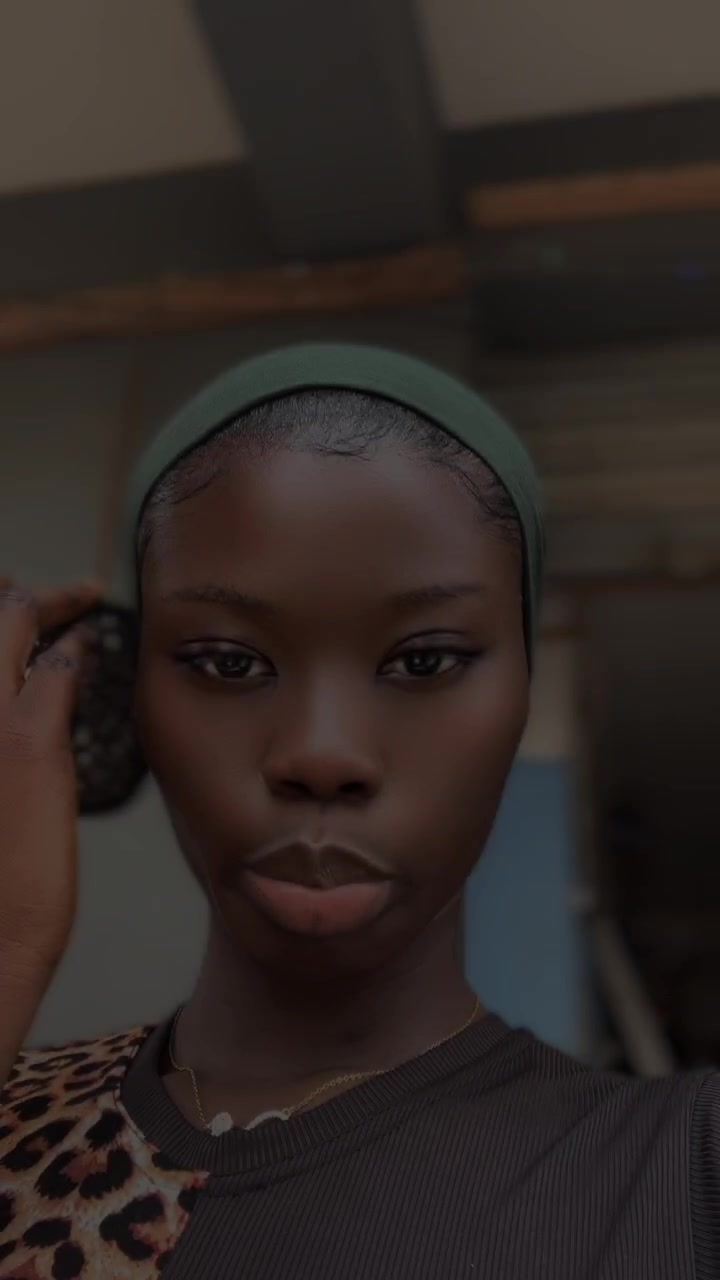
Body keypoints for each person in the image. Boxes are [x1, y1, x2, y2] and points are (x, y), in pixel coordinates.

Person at [0, 343, 716, 1280]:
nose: (322, 754)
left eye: (424, 661)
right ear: (126, 697)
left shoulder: (685, 1178)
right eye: (228, 661)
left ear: (520, 697)